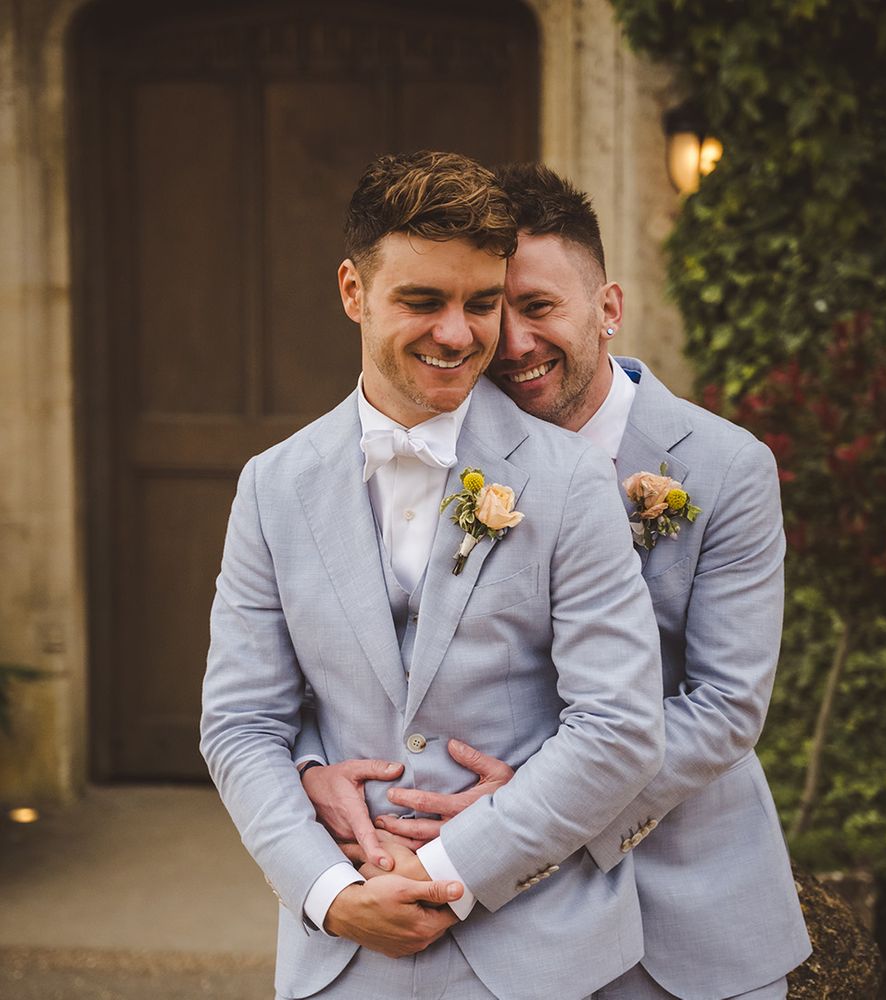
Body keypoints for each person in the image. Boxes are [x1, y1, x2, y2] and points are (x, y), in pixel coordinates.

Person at [297, 163, 813, 1000]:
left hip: (687, 897)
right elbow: (366, 655)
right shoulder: (429, 450)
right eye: (505, 311)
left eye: (541, 308)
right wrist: (312, 766)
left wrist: (531, 803)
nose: (515, 343)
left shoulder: (726, 467)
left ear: (608, 309)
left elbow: (724, 705)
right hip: (509, 926)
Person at [200, 150, 666, 1000]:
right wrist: (331, 894)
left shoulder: (566, 480)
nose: (459, 334)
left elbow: (621, 724)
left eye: (480, 303)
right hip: (346, 959)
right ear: (353, 292)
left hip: (542, 952)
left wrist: (453, 870)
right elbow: (240, 723)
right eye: (422, 300)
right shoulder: (273, 485)